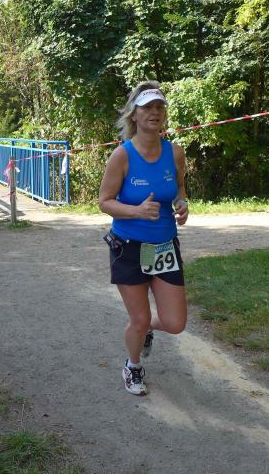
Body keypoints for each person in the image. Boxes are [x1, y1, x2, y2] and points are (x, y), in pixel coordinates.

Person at [99, 81, 190, 396]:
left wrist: (182, 204)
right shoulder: (121, 156)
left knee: (175, 323)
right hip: (129, 246)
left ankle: (146, 329)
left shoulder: (175, 152)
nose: (155, 112)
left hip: (164, 246)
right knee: (138, 320)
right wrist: (136, 211)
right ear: (134, 115)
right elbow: (104, 202)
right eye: (147, 107)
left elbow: (179, 189)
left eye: (159, 107)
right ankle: (133, 365)